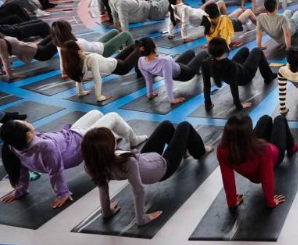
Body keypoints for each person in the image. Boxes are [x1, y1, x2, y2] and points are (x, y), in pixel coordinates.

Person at [0, 111, 146, 208]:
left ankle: (111, 138)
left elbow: (22, 169)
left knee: (96, 113)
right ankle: (133, 139)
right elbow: (55, 171)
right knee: (113, 116)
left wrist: (20, 190)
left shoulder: (14, 146)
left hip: (72, 133)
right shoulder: (45, 146)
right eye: (25, 124)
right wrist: (62, 193)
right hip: (83, 141)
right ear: (28, 135)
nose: (26, 122)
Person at [81, 121, 212, 226]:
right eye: (112, 140)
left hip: (145, 160)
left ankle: (182, 150)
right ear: (108, 148)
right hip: (163, 167)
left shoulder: (93, 165)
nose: (115, 140)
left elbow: (102, 187)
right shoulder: (128, 162)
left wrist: (107, 212)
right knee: (184, 126)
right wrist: (142, 218)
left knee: (166, 126)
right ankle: (200, 152)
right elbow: (138, 191)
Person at [218, 114, 298, 209]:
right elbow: (266, 176)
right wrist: (271, 201)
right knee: (280, 119)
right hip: (274, 155)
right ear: (248, 133)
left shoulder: (222, 150)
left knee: (266, 119)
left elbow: (227, 178)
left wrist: (232, 201)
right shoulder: (264, 150)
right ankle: (291, 147)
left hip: (253, 152)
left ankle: (287, 143)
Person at [202, 38, 275, 111]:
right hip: (245, 77)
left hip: (233, 72)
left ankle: (252, 66)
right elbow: (233, 86)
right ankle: (269, 77)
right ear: (225, 51)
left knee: (245, 50)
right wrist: (239, 105)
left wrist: (208, 104)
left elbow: (206, 85)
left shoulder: (206, 63)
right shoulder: (230, 65)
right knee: (257, 50)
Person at [61, 40, 140, 103]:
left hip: (115, 61)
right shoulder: (91, 60)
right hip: (122, 67)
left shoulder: (78, 60)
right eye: (78, 44)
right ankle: (141, 69)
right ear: (77, 51)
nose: (80, 43)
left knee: (134, 46)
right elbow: (97, 79)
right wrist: (99, 97)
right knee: (140, 48)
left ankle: (140, 69)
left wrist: (80, 92)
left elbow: (77, 76)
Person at [138, 37, 207, 104]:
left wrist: (150, 93)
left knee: (190, 52)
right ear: (153, 47)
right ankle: (202, 69)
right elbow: (168, 80)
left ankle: (197, 69)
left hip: (176, 66)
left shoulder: (141, 61)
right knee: (203, 53)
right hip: (185, 73)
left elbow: (148, 79)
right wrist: (171, 99)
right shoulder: (164, 61)